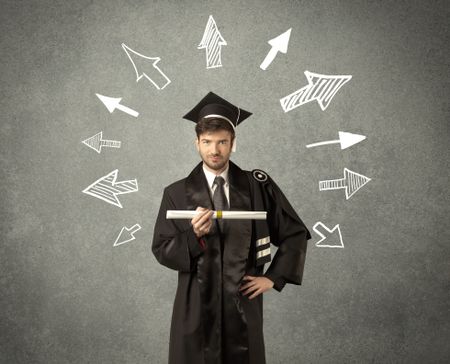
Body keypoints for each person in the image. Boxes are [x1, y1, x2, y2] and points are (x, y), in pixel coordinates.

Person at [152, 92, 311, 364]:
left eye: (222, 142)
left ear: (233, 143)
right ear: (197, 143)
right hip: (195, 305)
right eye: (207, 142)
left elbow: (295, 233)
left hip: (242, 303)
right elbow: (161, 249)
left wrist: (274, 277)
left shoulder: (258, 186)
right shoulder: (176, 193)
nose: (215, 150)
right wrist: (194, 236)